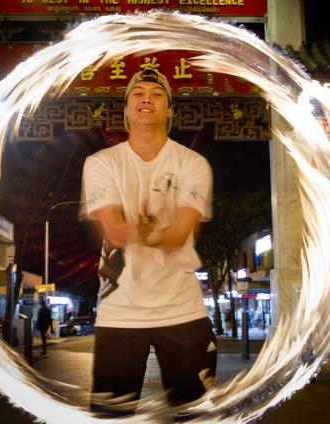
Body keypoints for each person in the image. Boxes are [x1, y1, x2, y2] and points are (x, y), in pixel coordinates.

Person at [81, 68, 217, 415]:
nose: (146, 99)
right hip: (119, 312)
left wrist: (156, 234)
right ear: (125, 109)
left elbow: (180, 232)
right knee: (112, 416)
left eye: (157, 95)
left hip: (183, 310)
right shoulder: (100, 163)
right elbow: (111, 225)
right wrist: (122, 228)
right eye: (137, 93)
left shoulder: (193, 163)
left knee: (194, 414)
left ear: (170, 110)